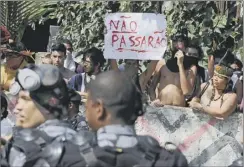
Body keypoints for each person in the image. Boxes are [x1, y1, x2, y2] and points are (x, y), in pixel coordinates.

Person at [76, 70, 188, 167]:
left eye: (87, 107)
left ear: (99, 109)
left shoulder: (69, 156)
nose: (86, 113)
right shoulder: (171, 161)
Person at [1, 64, 88, 167]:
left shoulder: (21, 150)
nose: (17, 108)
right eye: (19, 100)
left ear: (51, 102)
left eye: (25, 99)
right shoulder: (86, 147)